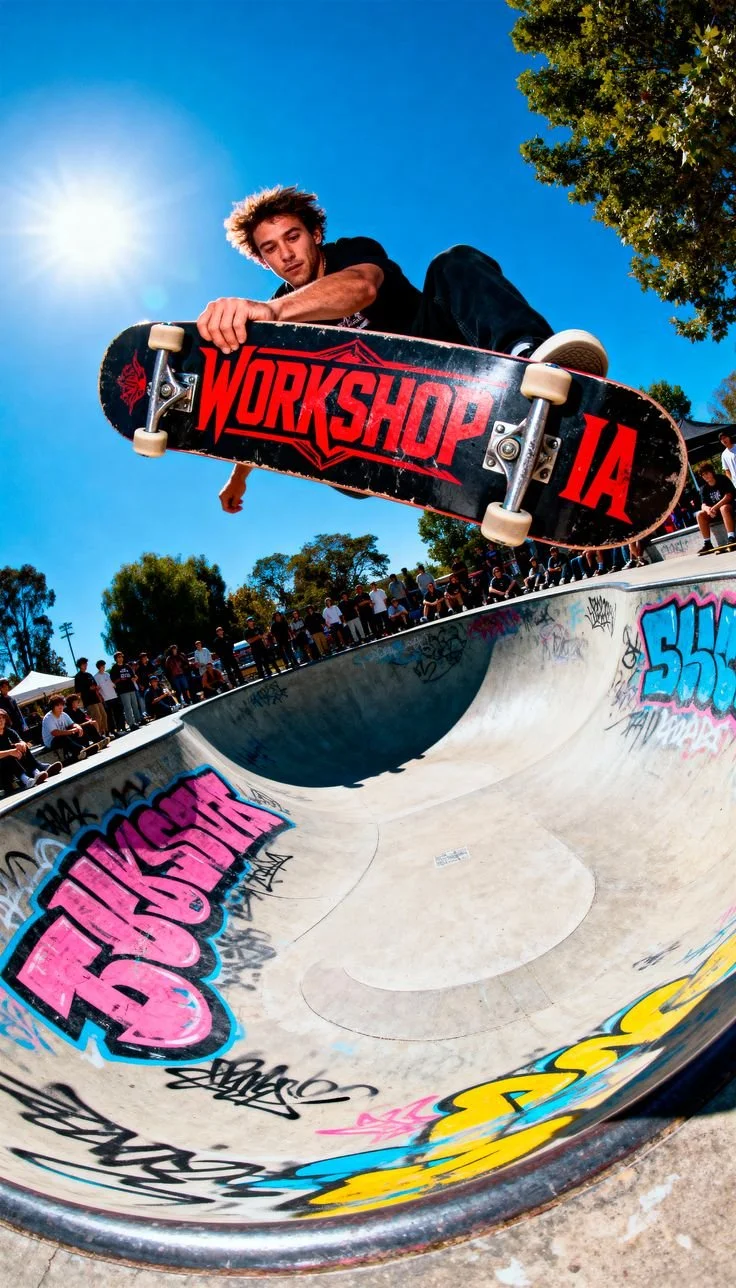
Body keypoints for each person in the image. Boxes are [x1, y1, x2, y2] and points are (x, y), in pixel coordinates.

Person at [200, 185, 608, 514]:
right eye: (270, 248)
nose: (286, 254)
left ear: (315, 235)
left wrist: (273, 311)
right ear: (261, 259)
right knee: (288, 385)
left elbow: (362, 287)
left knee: (454, 262)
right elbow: (259, 404)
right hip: (381, 418)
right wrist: (239, 477)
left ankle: (532, 365)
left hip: (443, 360)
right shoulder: (277, 316)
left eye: (293, 237)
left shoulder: (349, 254)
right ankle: (392, 464)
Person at [0, 707, 61, 793]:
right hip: (3, 769)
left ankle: (36, 772)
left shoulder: (9, 731)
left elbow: (21, 741)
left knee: (22, 747)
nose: (1, 721)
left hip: (16, 763)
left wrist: (21, 744)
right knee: (9, 755)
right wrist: (11, 751)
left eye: (3, 718)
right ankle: (26, 779)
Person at [695, 465, 736, 553]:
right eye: (703, 475)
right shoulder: (703, 487)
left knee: (723, 508)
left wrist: (714, 508)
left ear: (712, 472)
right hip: (714, 513)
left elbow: (728, 496)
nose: (705, 476)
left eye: (706, 473)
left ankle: (731, 538)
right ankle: (707, 543)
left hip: (730, 508)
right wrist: (708, 510)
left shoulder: (722, 479)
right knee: (700, 514)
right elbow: (703, 505)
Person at [41, 694, 88, 763]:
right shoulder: (48, 718)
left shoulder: (64, 714)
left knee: (84, 727)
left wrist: (78, 727)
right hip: (52, 741)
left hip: (65, 736)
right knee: (62, 737)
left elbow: (72, 724)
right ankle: (80, 750)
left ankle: (97, 740)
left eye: (62, 705)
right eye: (57, 705)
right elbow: (55, 733)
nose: (60, 707)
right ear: (52, 707)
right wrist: (71, 731)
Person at [73, 658, 108, 734]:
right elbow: (78, 692)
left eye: (86, 664)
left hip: (96, 698)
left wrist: (99, 693)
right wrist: (79, 703)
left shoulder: (89, 674)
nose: (85, 665)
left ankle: (105, 732)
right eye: (83, 664)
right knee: (97, 717)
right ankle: (99, 734)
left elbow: (95, 686)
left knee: (104, 715)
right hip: (88, 701)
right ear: (79, 666)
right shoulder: (78, 677)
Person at [110, 652, 141, 730]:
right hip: (123, 690)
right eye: (118, 657)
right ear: (116, 659)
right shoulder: (114, 668)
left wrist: (134, 678)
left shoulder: (127, 666)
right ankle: (131, 724)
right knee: (128, 707)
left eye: (121, 657)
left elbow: (133, 676)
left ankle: (139, 720)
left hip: (131, 688)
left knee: (135, 705)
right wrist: (120, 679)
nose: (120, 658)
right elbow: (113, 680)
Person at [94, 660, 125, 735]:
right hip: (106, 698)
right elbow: (97, 689)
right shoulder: (96, 677)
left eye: (104, 666)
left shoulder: (107, 674)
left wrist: (114, 685)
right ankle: (112, 731)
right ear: (99, 667)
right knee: (109, 716)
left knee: (118, 713)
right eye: (102, 666)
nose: (104, 667)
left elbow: (112, 683)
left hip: (114, 696)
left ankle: (119, 729)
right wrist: (101, 698)